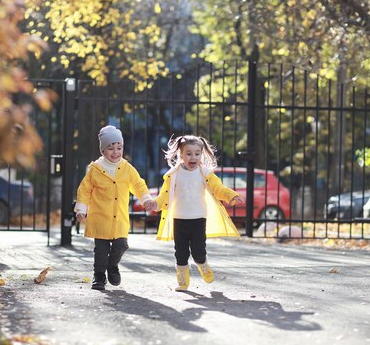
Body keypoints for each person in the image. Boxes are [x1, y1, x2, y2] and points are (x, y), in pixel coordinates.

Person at [152, 135, 244, 291]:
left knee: (198, 251)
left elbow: (218, 189)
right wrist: (155, 204)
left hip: (198, 219)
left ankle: (203, 264)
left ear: (201, 154)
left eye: (197, 153)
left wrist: (230, 196)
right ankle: (182, 280)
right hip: (179, 219)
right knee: (180, 253)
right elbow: (164, 196)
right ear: (180, 155)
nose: (193, 157)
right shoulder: (173, 175)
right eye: (188, 153)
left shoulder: (205, 174)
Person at [74, 125, 155, 290]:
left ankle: (112, 266)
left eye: (119, 148)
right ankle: (98, 277)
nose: (116, 152)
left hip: (119, 218)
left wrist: (146, 198)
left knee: (121, 245)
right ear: (103, 150)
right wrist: (81, 209)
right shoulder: (95, 170)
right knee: (101, 251)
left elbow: (138, 184)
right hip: (100, 217)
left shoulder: (127, 168)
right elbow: (84, 190)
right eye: (111, 148)